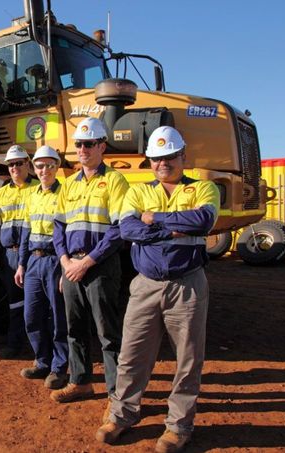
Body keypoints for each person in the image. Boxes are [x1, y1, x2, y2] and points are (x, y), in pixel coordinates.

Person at [96, 126, 220, 453]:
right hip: (145, 285)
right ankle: (122, 416)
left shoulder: (204, 188)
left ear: (183, 157)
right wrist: (170, 228)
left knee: (188, 359)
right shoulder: (137, 192)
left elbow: (203, 222)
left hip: (187, 285)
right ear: (149, 162)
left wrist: (155, 220)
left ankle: (179, 426)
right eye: (156, 159)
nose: (162, 163)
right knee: (132, 354)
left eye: (169, 157)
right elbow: (128, 227)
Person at [51, 117, 130, 403]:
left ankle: (116, 393)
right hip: (71, 266)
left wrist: (87, 262)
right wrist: (65, 261)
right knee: (75, 329)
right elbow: (58, 227)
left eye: (89, 144)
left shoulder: (115, 181)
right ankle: (80, 381)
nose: (82, 149)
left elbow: (119, 228)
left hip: (100, 267)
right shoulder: (68, 184)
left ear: (102, 146)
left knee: (107, 332)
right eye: (79, 144)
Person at [14, 146, 69, 390]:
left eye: (49, 165)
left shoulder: (65, 193)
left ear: (57, 167)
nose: (44, 170)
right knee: (32, 315)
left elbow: (69, 232)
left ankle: (59, 368)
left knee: (58, 317)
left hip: (56, 260)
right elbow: (26, 232)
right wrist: (22, 264)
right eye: (39, 166)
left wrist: (65, 267)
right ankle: (42, 361)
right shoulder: (32, 195)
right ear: (33, 168)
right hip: (34, 261)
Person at [0, 145, 38, 359]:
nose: (14, 168)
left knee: (37, 302)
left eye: (18, 163)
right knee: (15, 301)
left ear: (27, 164)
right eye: (11, 164)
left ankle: (40, 347)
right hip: (9, 254)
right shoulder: (1, 193)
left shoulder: (39, 188)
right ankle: (15, 343)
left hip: (34, 253)